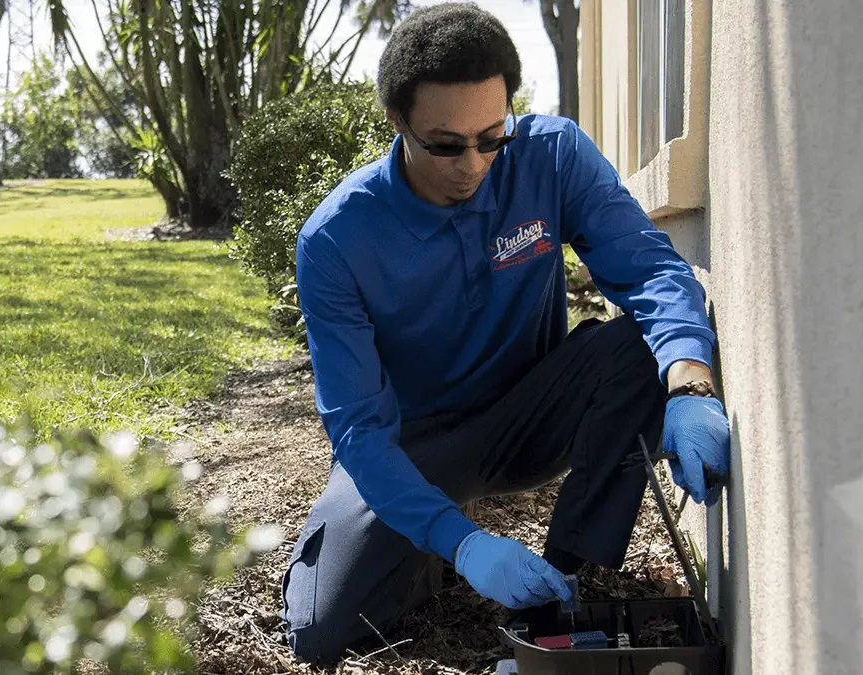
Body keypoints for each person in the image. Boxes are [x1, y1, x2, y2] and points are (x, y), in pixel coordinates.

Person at [281, 2, 732, 663]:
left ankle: (566, 587)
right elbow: (358, 431)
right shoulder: (335, 240)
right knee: (320, 630)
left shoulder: (551, 155)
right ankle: (425, 546)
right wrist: (461, 541)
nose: (473, 163)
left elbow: (650, 269)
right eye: (445, 144)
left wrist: (691, 385)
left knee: (641, 343)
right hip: (417, 446)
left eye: (491, 137)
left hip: (531, 414)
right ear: (398, 122)